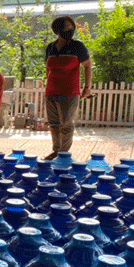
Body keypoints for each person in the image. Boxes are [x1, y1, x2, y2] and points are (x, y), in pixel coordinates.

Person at [44, 15, 92, 160]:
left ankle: (63, 154)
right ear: (57, 30)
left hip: (69, 92)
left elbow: (87, 66)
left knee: (66, 123)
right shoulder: (50, 48)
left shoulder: (77, 47)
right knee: (53, 123)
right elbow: (48, 68)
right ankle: (56, 150)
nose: (70, 30)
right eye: (66, 27)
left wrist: (87, 87)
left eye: (72, 28)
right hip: (51, 91)